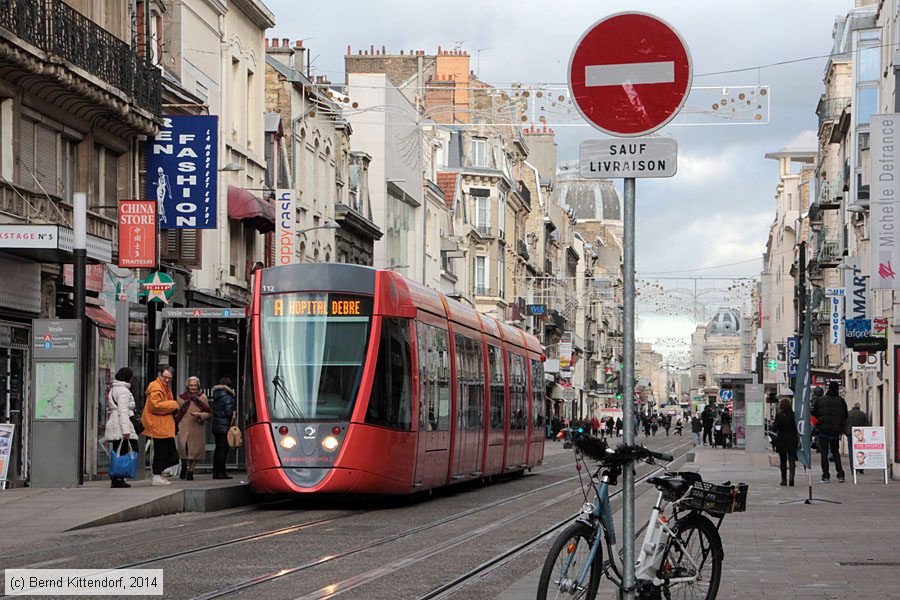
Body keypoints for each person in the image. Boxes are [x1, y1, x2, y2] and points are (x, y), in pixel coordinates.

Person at [142, 365, 180, 486]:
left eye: (170, 378)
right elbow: (155, 406)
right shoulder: (156, 387)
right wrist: (174, 405)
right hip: (158, 425)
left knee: (170, 453)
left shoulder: (165, 387)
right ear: (160, 375)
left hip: (164, 425)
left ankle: (158, 474)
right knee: (163, 452)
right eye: (165, 377)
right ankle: (157, 475)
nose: (167, 380)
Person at [104, 367, 138, 489]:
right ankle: (118, 477)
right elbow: (123, 411)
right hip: (121, 423)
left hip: (115, 421)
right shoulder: (123, 391)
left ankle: (117, 477)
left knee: (118, 450)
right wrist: (126, 430)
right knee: (124, 450)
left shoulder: (114, 389)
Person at [811, 381, 848, 483]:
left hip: (823, 431)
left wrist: (818, 425)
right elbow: (845, 416)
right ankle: (840, 474)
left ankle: (825, 475)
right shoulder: (841, 401)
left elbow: (814, 414)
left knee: (824, 453)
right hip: (835, 432)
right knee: (836, 452)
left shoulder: (821, 400)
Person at [176, 376, 211, 481]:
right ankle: (183, 466)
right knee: (183, 449)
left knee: (194, 451)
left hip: (196, 427)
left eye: (195, 385)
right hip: (183, 426)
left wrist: (200, 415)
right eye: (191, 385)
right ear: (187, 385)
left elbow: (208, 412)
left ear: (198, 386)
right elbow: (177, 412)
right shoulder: (181, 398)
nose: (193, 387)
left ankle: (190, 472)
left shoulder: (203, 397)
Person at [210, 377, 236, 479]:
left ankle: (216, 472)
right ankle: (221, 472)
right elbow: (229, 412)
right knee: (223, 450)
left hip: (216, 426)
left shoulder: (217, 395)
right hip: (225, 426)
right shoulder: (228, 397)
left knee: (218, 449)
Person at [774, 398, 799, 486]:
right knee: (792, 459)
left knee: (783, 460)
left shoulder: (779, 415)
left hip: (782, 439)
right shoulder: (795, 415)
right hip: (792, 439)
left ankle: (783, 479)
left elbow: (775, 428)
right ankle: (791, 478)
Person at [845, 403, 870, 475]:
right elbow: (867, 425)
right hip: (861, 436)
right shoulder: (863, 414)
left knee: (851, 451)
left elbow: (844, 424)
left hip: (850, 434)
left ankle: (853, 469)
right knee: (861, 450)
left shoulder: (848, 414)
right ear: (859, 407)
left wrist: (846, 432)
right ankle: (861, 468)